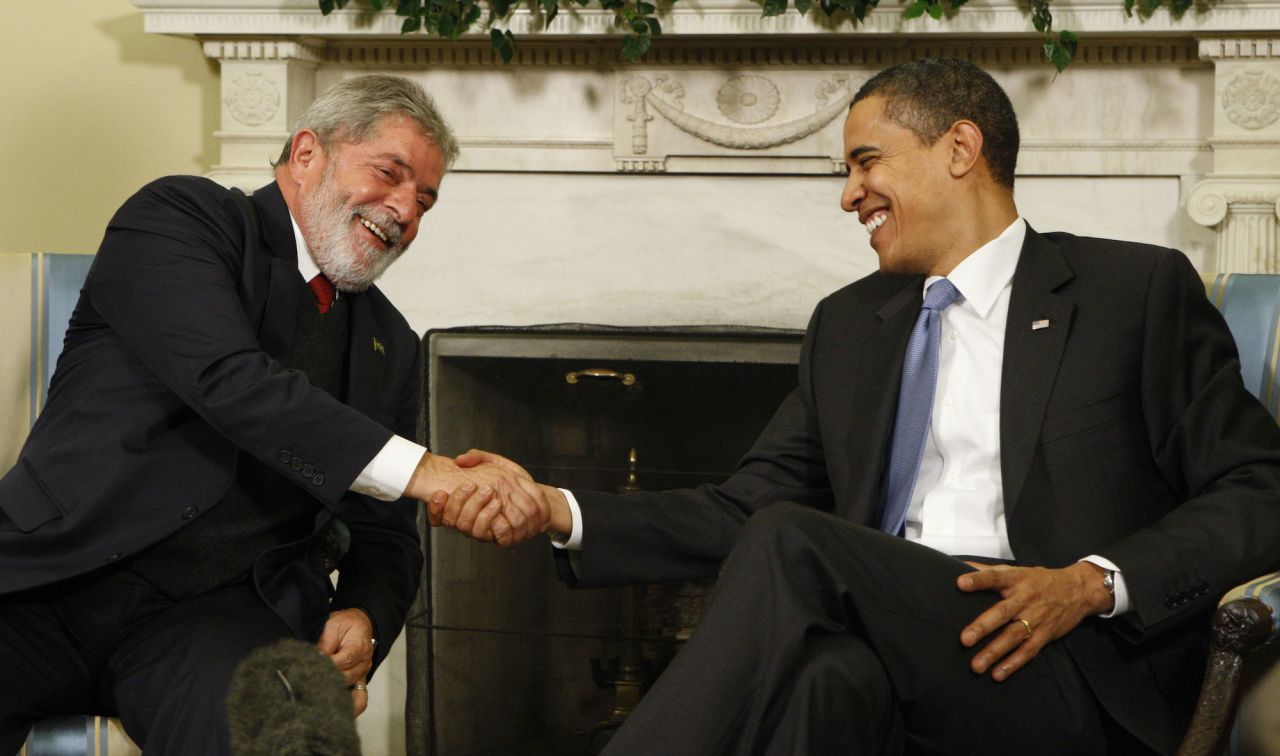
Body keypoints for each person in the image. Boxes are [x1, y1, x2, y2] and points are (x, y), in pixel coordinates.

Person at [435, 58, 1280, 755]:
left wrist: (1096, 584)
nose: (850, 195)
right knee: (825, 682)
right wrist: (555, 508)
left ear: (960, 148)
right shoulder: (851, 325)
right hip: (897, 645)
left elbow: (1259, 485)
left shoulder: (1129, 292)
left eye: (867, 161)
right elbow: (742, 508)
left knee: (795, 543)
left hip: (1066, 663)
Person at [0, 74, 541, 754]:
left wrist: (365, 617)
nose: (405, 210)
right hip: (49, 579)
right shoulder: (182, 217)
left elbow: (388, 535)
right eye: (389, 174)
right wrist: (430, 472)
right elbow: (230, 380)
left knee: (278, 735)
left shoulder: (392, 347)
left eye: (425, 200)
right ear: (308, 153)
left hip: (217, 624)